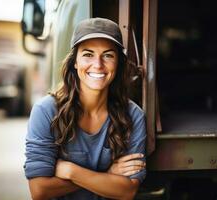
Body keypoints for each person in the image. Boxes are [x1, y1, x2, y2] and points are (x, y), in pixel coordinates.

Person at [24, 17, 147, 200]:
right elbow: (39, 190)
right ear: (75, 62)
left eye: (108, 55)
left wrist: (71, 171)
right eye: (88, 54)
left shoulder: (133, 115)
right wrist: (107, 173)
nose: (98, 64)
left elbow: (127, 191)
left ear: (119, 64)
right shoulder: (47, 111)